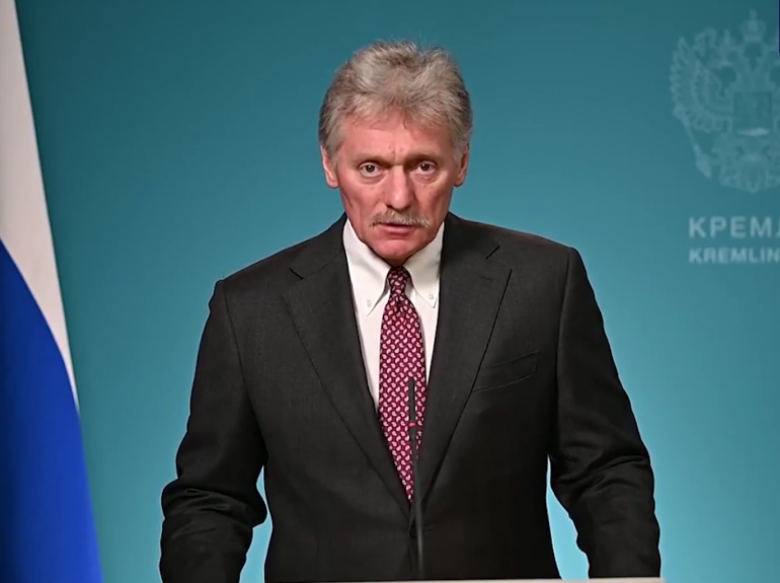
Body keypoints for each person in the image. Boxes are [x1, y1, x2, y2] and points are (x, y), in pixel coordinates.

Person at [159, 40, 661, 583]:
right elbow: (210, 500)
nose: (398, 197)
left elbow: (605, 473)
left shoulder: (543, 283)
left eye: (423, 166)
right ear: (329, 164)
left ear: (461, 162)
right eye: (371, 167)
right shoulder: (249, 312)